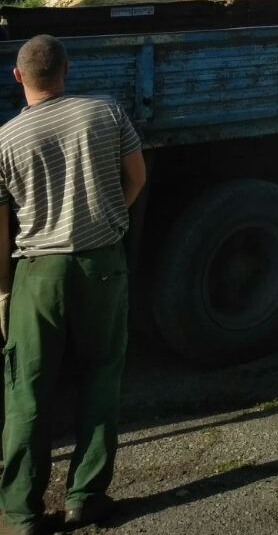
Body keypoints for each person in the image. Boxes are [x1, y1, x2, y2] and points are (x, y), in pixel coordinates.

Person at [0, 35, 145, 534]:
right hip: (101, 265)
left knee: (27, 392)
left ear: (18, 77)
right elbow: (137, 177)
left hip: (38, 274)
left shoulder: (5, 139)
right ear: (68, 69)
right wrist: (106, 221)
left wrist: (2, 292)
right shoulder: (106, 113)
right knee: (101, 377)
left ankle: (22, 513)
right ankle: (85, 496)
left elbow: (0, 229)